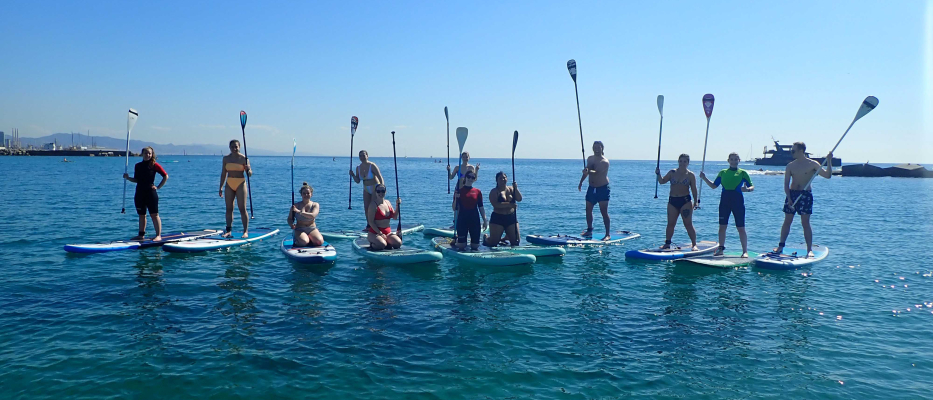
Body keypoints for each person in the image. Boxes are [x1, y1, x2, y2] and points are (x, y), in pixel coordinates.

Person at [773, 142, 833, 257]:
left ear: (801, 151)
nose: (791, 153)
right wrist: (789, 197)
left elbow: (827, 175)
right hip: (792, 194)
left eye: (793, 151)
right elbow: (786, 184)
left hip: (805, 195)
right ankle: (781, 246)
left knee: (805, 223)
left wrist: (829, 161)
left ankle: (809, 249)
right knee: (787, 221)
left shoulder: (813, 164)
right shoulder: (790, 165)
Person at [699, 152, 755, 257]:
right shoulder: (723, 172)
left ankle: (745, 251)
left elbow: (752, 186)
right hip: (724, 202)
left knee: (741, 227)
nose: (733, 161)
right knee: (722, 227)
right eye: (731, 159)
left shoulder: (743, 173)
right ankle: (721, 249)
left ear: (739, 160)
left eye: (736, 159)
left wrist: (747, 189)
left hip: (738, 202)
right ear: (728, 160)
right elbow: (713, 186)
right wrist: (704, 178)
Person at [123, 146, 168, 241]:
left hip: (151, 193)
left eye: (149, 153)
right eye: (146, 153)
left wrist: (158, 187)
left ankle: (158, 235)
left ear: (152, 155)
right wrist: (128, 178)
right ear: (142, 154)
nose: (147, 155)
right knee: (142, 215)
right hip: (139, 192)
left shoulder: (155, 165)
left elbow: (165, 176)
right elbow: (137, 180)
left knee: (154, 215)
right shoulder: (138, 166)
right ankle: (141, 235)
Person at [656, 154, 699, 251]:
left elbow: (694, 189)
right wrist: (658, 174)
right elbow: (662, 181)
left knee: (688, 224)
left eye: (685, 161)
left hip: (685, 201)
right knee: (670, 224)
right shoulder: (672, 172)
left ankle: (694, 244)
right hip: (672, 201)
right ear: (678, 161)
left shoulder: (690, 175)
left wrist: (696, 201)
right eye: (681, 161)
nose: (682, 163)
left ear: (688, 163)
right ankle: (667, 243)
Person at [218, 139, 252, 238]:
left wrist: (248, 169)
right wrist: (220, 187)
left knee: (242, 208)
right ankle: (228, 230)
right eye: (232, 147)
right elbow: (223, 174)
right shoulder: (225, 159)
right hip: (229, 183)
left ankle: (245, 231)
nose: (234, 148)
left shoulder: (244, 158)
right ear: (229, 147)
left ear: (239, 147)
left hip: (241, 183)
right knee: (229, 209)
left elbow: (249, 174)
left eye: (236, 146)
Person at [578, 141, 611, 240]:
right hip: (591, 188)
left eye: (598, 147)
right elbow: (587, 171)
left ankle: (607, 234)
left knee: (603, 211)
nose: (596, 149)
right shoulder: (590, 158)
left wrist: (588, 171)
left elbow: (595, 172)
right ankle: (589, 230)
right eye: (595, 147)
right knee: (588, 209)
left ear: (602, 148)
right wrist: (581, 182)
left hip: (602, 189)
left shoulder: (604, 161)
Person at [485, 171, 522, 246]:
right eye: (500, 178)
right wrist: (509, 205)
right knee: (493, 243)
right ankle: (486, 238)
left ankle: (507, 237)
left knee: (516, 242)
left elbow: (519, 199)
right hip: (498, 218)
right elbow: (495, 205)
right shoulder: (494, 191)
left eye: (504, 177)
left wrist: (516, 188)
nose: (503, 179)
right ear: (497, 180)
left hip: (511, 217)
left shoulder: (511, 189)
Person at [453, 172, 488, 251]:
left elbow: (481, 207)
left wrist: (485, 220)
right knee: (461, 247)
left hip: (474, 219)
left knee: (475, 247)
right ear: (465, 178)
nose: (470, 179)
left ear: (474, 179)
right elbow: (454, 208)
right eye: (469, 177)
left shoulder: (477, 191)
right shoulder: (459, 191)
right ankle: (456, 241)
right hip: (462, 219)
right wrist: (456, 198)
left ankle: (485, 238)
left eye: (472, 177)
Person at [447, 151, 480, 226]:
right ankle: (455, 223)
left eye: (467, 157)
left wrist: (477, 170)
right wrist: (449, 170)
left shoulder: (471, 167)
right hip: (458, 189)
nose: (465, 158)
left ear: (469, 158)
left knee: (466, 205)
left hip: (468, 190)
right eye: (464, 157)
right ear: (461, 158)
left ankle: (466, 222)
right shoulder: (457, 167)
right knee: (456, 206)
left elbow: (474, 179)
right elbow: (451, 177)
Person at [366, 184, 402, 250]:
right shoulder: (373, 205)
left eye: (382, 191)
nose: (380, 193)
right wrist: (380, 233)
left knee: (398, 243)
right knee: (381, 245)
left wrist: (397, 205)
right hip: (375, 232)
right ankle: (373, 244)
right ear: (375, 192)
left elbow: (394, 217)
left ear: (385, 192)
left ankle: (387, 242)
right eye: (378, 191)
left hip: (387, 232)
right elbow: (371, 222)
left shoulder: (388, 202)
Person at [288, 182, 323, 247]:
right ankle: (299, 240)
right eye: (304, 193)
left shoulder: (315, 205)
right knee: (304, 242)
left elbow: (313, 215)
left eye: (308, 193)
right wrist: (291, 225)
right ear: (301, 194)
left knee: (319, 242)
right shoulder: (295, 206)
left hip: (311, 228)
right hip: (300, 229)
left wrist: (299, 212)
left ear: (311, 194)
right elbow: (289, 219)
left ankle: (310, 239)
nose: (306, 195)